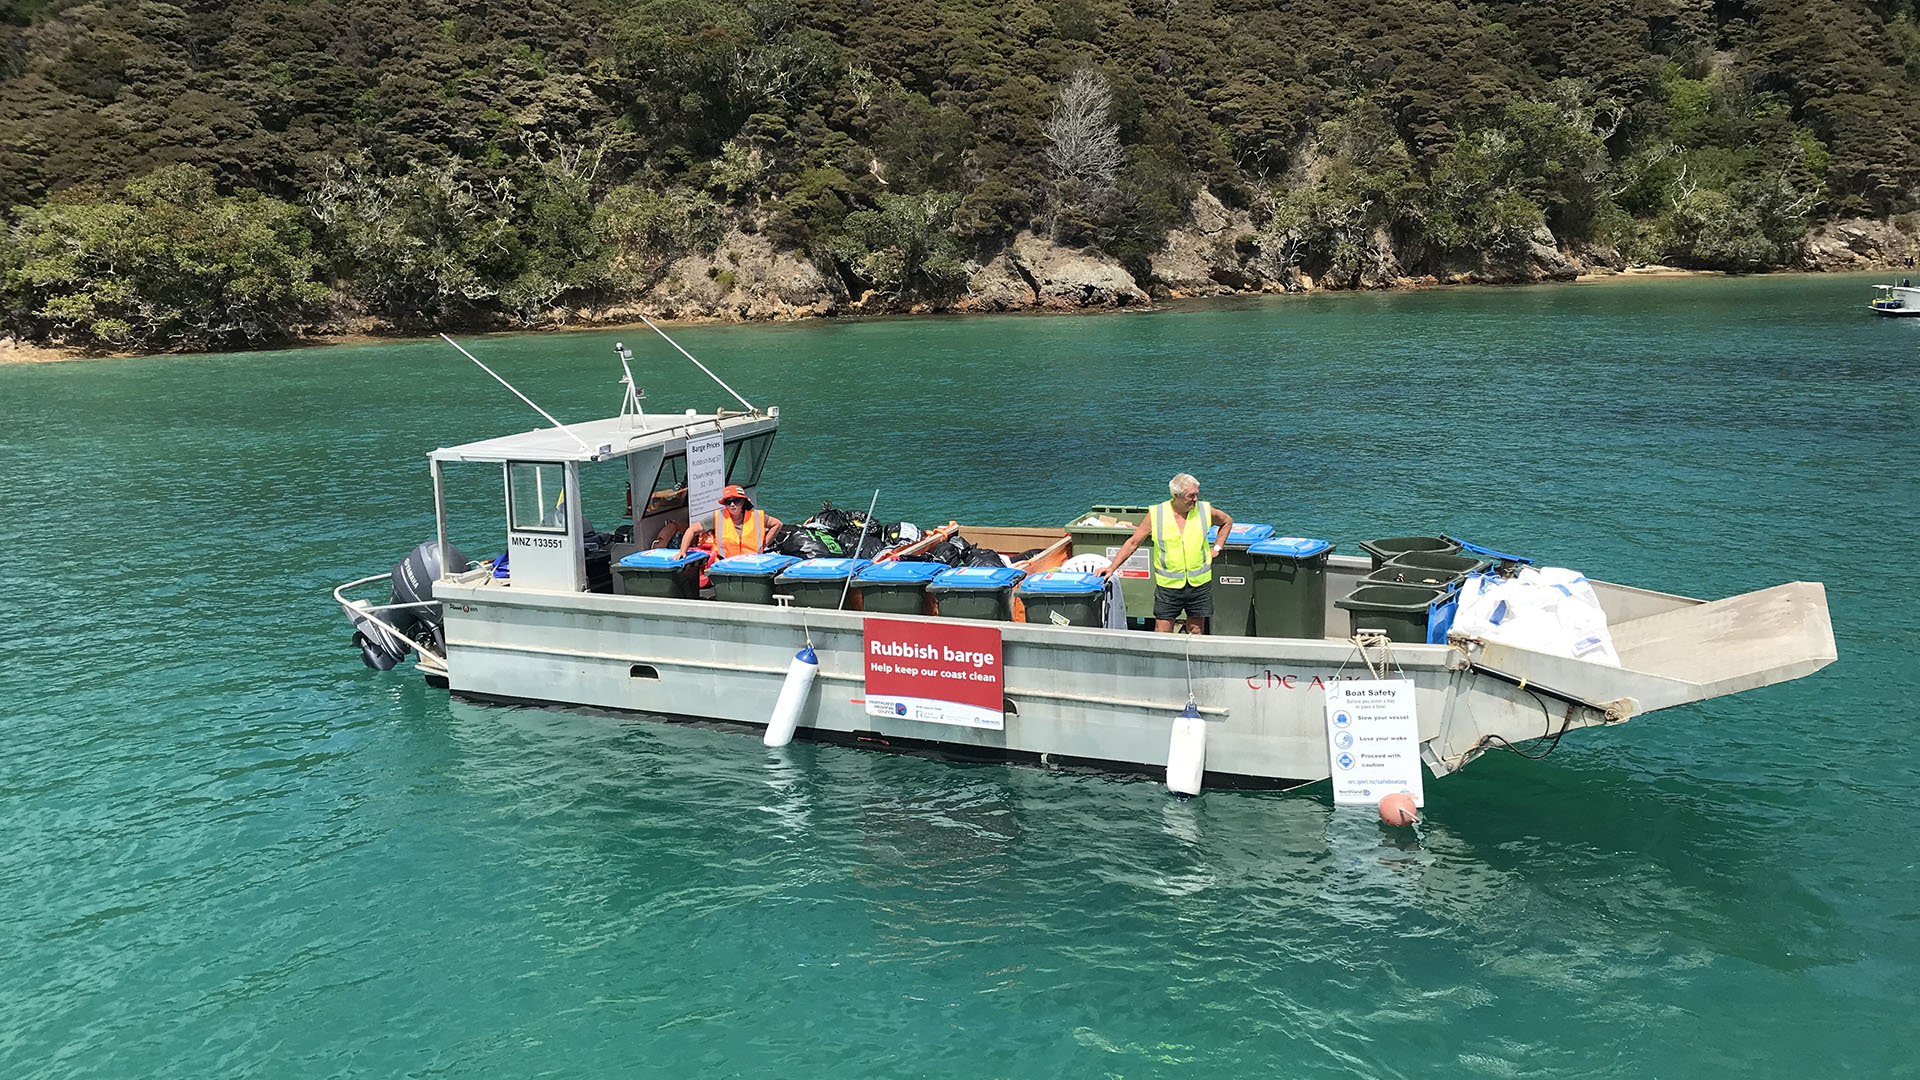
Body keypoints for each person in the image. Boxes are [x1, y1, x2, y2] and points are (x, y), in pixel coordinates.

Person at [1099, 473, 1233, 635]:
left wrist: (1217, 548)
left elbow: (1227, 521)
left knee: (1196, 630)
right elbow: (1133, 543)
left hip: (1199, 584)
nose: (1196, 499)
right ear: (1176, 496)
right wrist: (1112, 567)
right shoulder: (1157, 514)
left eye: (1197, 494)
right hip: (1168, 587)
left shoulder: (1204, 510)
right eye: (1191, 496)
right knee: (1162, 631)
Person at [680, 484, 782, 558]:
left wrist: (764, 544)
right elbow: (691, 530)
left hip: (752, 564)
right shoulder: (717, 517)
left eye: (736, 501)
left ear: (743, 502)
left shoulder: (756, 516)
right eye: (728, 502)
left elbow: (777, 524)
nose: (732, 505)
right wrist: (682, 551)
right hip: (726, 565)